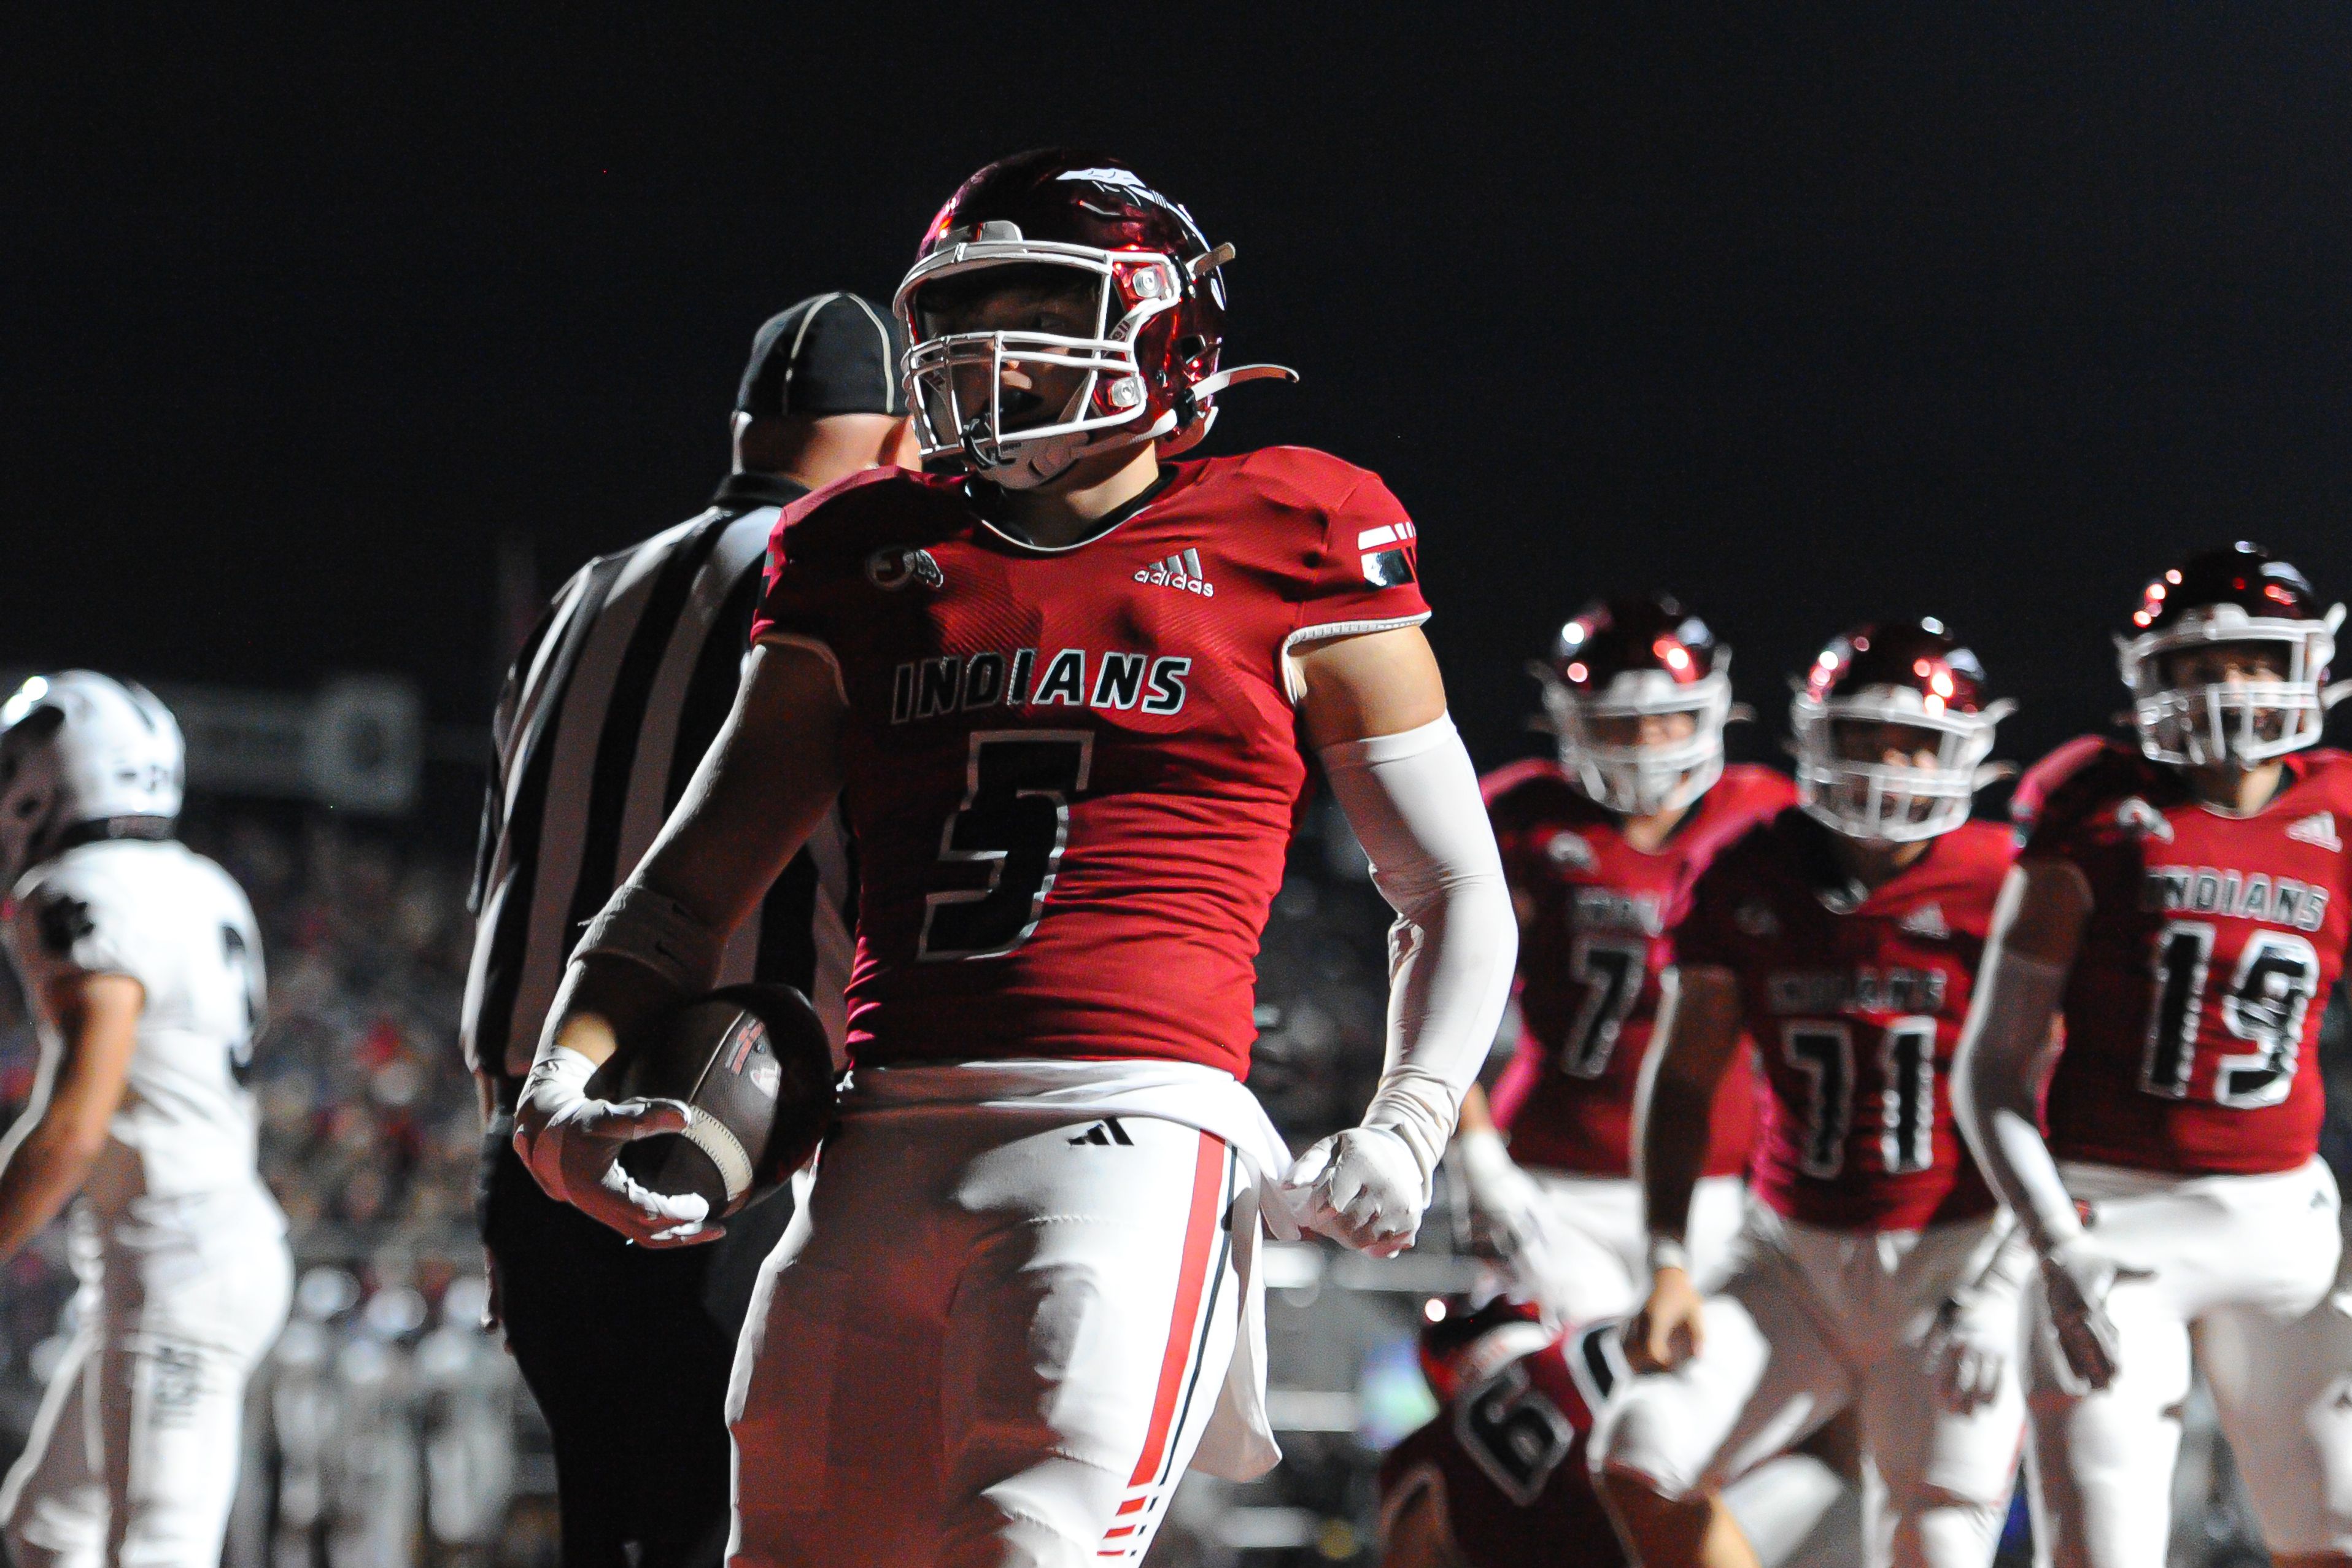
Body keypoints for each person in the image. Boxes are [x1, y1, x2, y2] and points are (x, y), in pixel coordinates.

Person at [516, 149, 1518, 1567]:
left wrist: (1410, 1119)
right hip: (873, 1140)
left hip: (1133, 1126)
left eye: (1029, 304)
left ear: (1161, 317)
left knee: (1028, 1549)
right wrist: (558, 1085)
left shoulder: (1290, 525)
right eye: (958, 311)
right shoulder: (859, 551)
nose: (983, 352)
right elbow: (684, 888)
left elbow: (1449, 883)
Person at [462, 293, 908, 1568]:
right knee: (762, 1528)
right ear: (889, 441)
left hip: (539, 1138)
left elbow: (507, 888)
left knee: (607, 1520)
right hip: (731, 1146)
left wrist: (509, 1160)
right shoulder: (843, 584)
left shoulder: (577, 594)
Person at [1952, 541, 2352, 1568]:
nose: (2226, 685)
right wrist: (2052, 1238)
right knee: (2103, 1549)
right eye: (2194, 664)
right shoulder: (2091, 801)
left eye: (2256, 659)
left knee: (2337, 1533)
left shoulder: (2346, 805)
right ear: (2146, 675)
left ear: (2308, 663)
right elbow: (1991, 1069)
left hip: (2285, 1230)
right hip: (2110, 1226)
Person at [1593, 620, 2029, 1568]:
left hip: (1955, 1257)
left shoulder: (2005, 881)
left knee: (1935, 1538)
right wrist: (1668, 1255)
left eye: (1913, 742)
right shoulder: (1750, 868)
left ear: (1968, 749)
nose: (1887, 766)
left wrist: (2004, 1287)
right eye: (1864, 740)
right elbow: (1682, 1078)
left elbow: (2063, 1108)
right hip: (1790, 1252)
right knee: (1639, 1453)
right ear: (1813, 739)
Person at [0, 673, 294, 1566]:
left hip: (178, 1261)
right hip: (193, 1246)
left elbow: (73, 1123)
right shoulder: (201, 881)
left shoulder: (77, 888)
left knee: (158, 1546)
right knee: (48, 1529)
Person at [1455, 594, 1789, 1324]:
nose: (1648, 741)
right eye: (1621, 721)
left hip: (1725, 1181)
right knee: (1572, 1388)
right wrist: (1473, 1148)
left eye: (1667, 716)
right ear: (1572, 719)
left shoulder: (1767, 818)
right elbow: (1439, 991)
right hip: (1553, 1174)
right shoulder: (1522, 816)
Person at [1379, 1297, 1851, 1568]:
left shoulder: (1429, 1452)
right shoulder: (1601, 1329)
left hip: (1644, 1537)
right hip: (1748, 1514)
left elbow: (1411, 1555)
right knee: (1822, 1483)